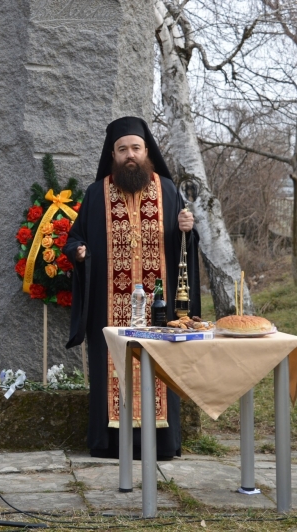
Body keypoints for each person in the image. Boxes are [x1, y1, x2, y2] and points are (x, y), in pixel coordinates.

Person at [63, 116, 201, 460]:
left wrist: (187, 229)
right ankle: (110, 444)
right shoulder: (97, 194)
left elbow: (185, 247)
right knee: (110, 365)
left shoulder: (167, 191)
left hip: (160, 306)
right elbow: (75, 237)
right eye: (122, 149)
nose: (130, 155)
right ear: (113, 153)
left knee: (159, 365)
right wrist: (78, 252)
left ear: (146, 151)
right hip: (109, 306)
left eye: (135, 148)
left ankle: (163, 443)